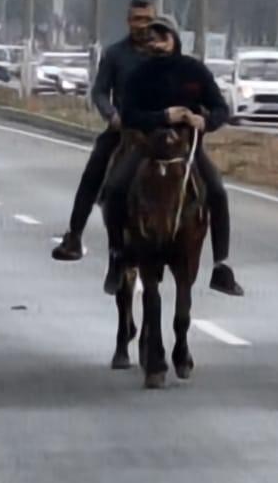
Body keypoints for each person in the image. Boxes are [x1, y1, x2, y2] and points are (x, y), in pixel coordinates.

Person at [99, 19, 241, 297]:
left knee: (217, 191)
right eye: (152, 39)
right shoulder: (139, 74)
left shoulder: (194, 71)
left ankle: (221, 265)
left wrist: (205, 121)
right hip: (147, 146)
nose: (157, 44)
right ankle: (117, 255)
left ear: (174, 39)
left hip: (187, 148)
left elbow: (220, 108)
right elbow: (129, 114)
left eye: (162, 38)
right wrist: (163, 116)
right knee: (113, 189)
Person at [53, 0, 158, 263]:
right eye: (137, 19)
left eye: (147, 19)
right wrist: (111, 114)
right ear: (128, 21)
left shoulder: (163, 53)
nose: (142, 25)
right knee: (94, 170)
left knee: (196, 173)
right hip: (125, 130)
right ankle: (74, 235)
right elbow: (99, 91)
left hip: (160, 129)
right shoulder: (115, 54)